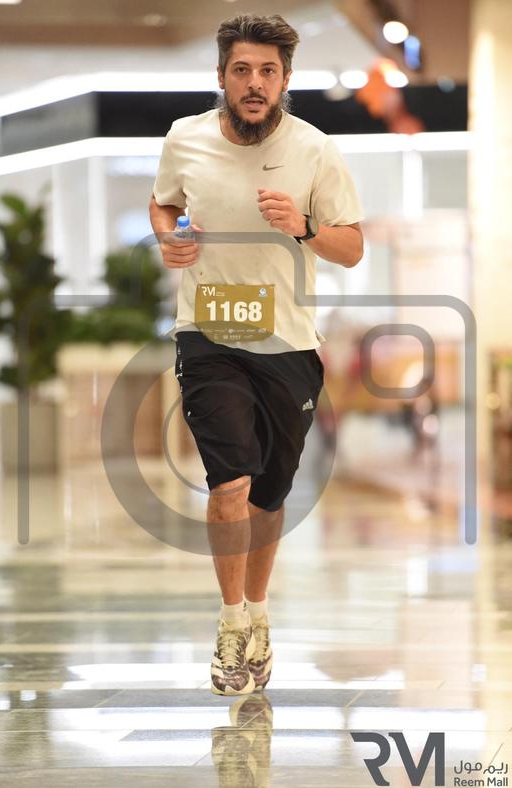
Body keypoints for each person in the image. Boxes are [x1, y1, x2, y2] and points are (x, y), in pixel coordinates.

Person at [149, 13, 364, 696]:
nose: (254, 83)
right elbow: (162, 205)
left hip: (288, 342)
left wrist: (303, 226)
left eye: (267, 71)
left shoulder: (315, 149)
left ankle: (259, 614)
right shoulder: (184, 138)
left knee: (269, 494)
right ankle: (230, 621)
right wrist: (170, 237)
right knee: (230, 483)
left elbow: (352, 247)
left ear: (285, 79)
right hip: (208, 334)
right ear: (221, 76)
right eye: (241, 69)